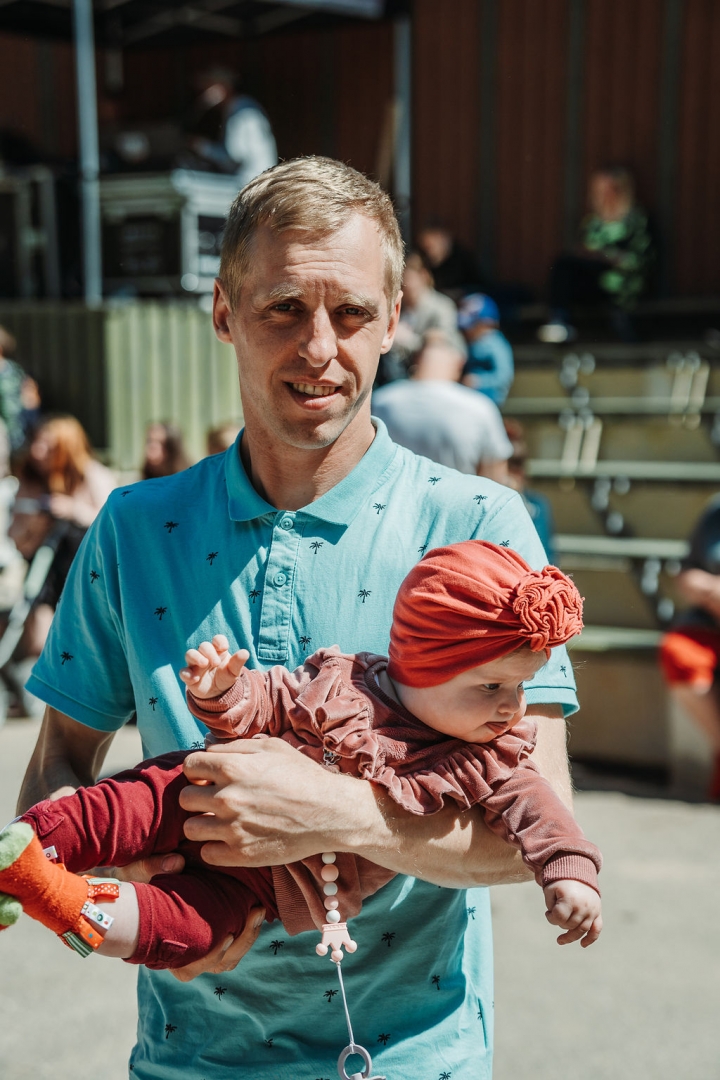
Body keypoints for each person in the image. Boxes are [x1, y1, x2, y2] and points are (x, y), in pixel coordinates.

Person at [19, 156, 579, 1080]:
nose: (320, 347)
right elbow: (57, 767)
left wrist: (336, 813)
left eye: (351, 312)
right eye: (284, 308)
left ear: (393, 320)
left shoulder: (480, 525)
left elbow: (536, 825)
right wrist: (123, 888)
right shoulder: (134, 527)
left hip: (415, 1058)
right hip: (188, 1058)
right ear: (224, 313)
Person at [0, 541, 601, 968]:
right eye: (491, 686)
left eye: (521, 687)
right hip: (200, 795)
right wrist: (222, 691)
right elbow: (266, 699)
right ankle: (28, 846)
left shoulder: (489, 760)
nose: (512, 706)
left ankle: (56, 898)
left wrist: (572, 875)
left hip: (262, 888)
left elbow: (546, 818)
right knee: (128, 805)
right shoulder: (345, 685)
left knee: (188, 931)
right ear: (423, 665)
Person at [8, 416, 116, 662]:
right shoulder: (32, 478)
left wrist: (72, 510)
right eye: (36, 443)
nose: (37, 451)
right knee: (41, 643)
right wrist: (36, 523)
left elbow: (112, 524)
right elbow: (15, 533)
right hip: (43, 570)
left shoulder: (92, 475)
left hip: (86, 572)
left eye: (48, 447)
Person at [538, 166, 654, 344]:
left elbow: (642, 260)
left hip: (623, 287)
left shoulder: (637, 221)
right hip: (595, 285)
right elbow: (584, 251)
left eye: (607, 190)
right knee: (563, 265)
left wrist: (607, 257)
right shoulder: (592, 223)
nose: (601, 196)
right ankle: (559, 321)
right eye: (597, 191)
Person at [372, 338, 513, 483]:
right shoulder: (480, 407)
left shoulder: (380, 401)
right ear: (460, 362)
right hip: (458, 496)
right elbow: (495, 479)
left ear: (417, 359)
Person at [659, 496, 720, 801]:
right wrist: (711, 590)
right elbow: (686, 573)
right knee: (679, 653)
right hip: (707, 621)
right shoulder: (715, 511)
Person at [377, 252, 466, 385]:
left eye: (408, 279)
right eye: (401, 281)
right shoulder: (399, 306)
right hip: (397, 374)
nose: (404, 285)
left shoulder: (441, 307)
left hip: (433, 374)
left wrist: (408, 340)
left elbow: (440, 344)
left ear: (423, 276)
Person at [187, 67, 277, 187]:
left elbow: (233, 157)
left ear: (223, 86)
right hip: (255, 179)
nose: (204, 94)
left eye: (208, 87)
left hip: (251, 182)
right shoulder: (238, 106)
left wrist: (202, 146)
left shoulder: (240, 112)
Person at [502, 418, 555, 563]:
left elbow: (547, 560)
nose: (518, 471)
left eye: (520, 462)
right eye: (511, 462)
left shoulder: (537, 505)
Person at [458, 293, 515, 406]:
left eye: (473, 325)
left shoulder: (496, 343)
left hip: (490, 400)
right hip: (469, 399)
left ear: (488, 323)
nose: (467, 331)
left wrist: (479, 381)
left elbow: (504, 376)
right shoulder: (470, 343)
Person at [416, 223, 484, 298]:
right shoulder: (424, 262)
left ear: (442, 240)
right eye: (425, 248)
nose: (429, 252)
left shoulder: (462, 260)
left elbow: (476, 286)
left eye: (430, 247)